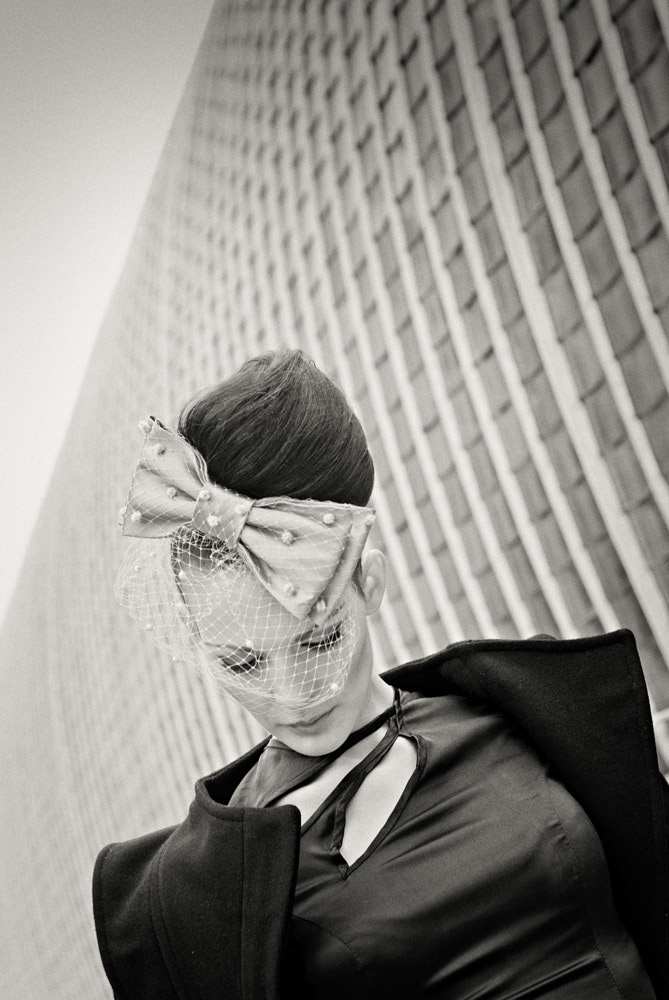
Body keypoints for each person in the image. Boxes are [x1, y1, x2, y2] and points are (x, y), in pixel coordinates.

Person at [93, 349, 669, 999]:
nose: (292, 697)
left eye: (316, 640)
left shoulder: (532, 710)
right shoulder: (198, 897)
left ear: (370, 584)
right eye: (241, 661)